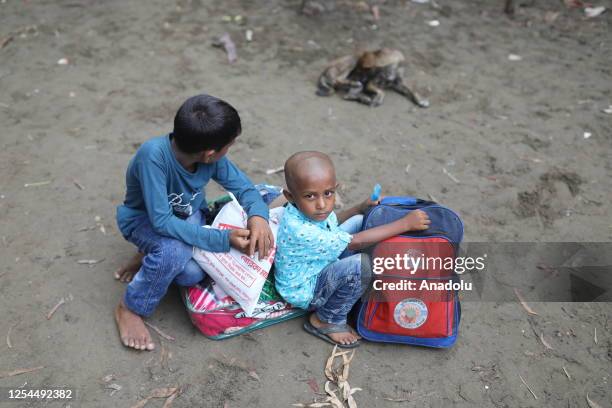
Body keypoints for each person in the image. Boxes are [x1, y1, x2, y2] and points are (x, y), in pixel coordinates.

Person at [114, 94, 274, 351]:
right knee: (173, 253)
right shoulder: (152, 157)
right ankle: (130, 308)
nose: (228, 151)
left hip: (187, 217)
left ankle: (147, 257)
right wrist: (223, 240)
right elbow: (162, 222)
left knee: (191, 274)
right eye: (229, 146)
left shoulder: (211, 159)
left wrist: (258, 217)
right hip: (144, 221)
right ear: (210, 154)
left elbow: (246, 189)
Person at [275, 151, 430, 347]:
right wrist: (405, 224)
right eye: (310, 196)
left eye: (328, 193)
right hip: (307, 288)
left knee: (358, 221)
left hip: (317, 263)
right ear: (290, 196)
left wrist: (359, 208)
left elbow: (333, 224)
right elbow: (354, 242)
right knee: (361, 266)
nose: (322, 204)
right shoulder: (299, 230)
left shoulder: (309, 211)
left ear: (335, 188)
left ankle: (352, 289)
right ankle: (326, 319)